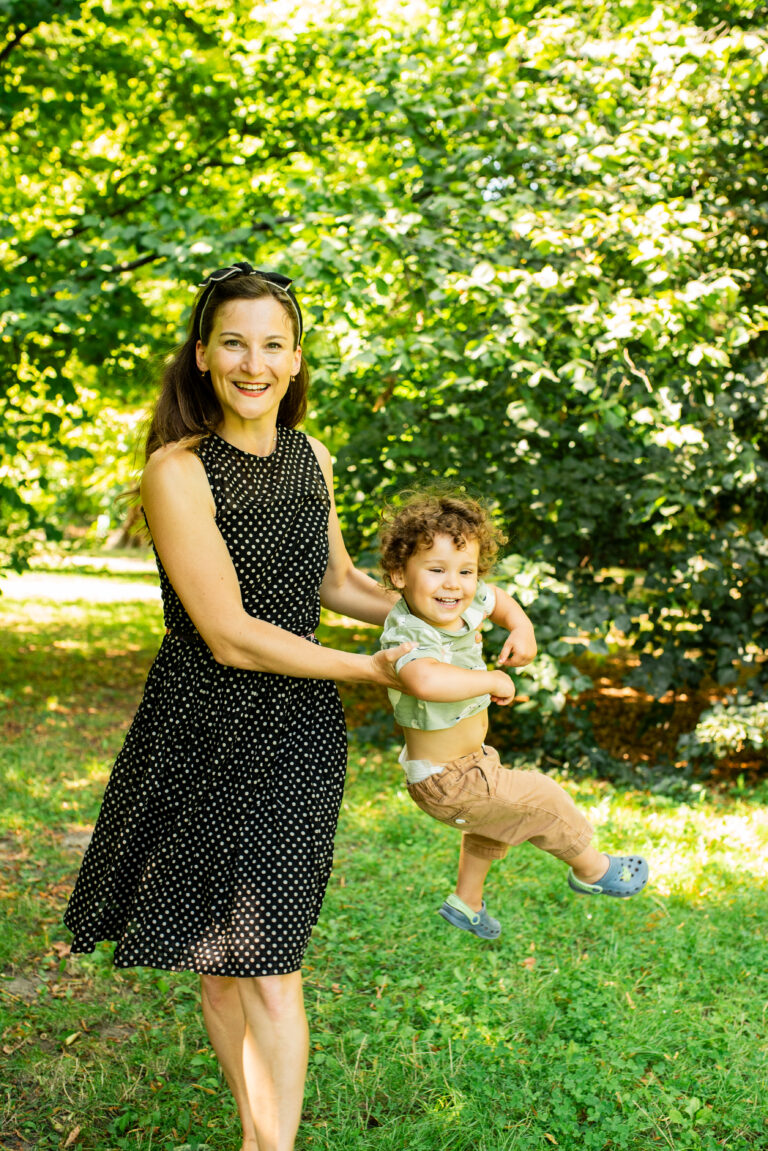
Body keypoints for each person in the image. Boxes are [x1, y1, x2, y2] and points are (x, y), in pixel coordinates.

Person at [64, 261, 421, 1151]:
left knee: (271, 962)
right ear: (203, 354)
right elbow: (227, 633)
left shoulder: (312, 457)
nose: (253, 363)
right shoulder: (177, 471)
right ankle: (258, 1132)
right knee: (219, 964)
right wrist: (371, 670)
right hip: (200, 727)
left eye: (272, 345)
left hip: (297, 734)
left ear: (296, 360)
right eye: (233, 343)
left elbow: (338, 582)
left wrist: (461, 608)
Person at [378, 491, 649, 941]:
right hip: (447, 780)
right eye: (436, 570)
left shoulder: (462, 602)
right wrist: (492, 680)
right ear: (398, 574)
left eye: (466, 571)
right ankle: (593, 870)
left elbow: (497, 600)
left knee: (495, 820)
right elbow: (423, 680)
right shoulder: (409, 631)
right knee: (542, 798)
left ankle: (467, 901)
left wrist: (522, 627)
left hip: (470, 764)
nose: (454, 584)